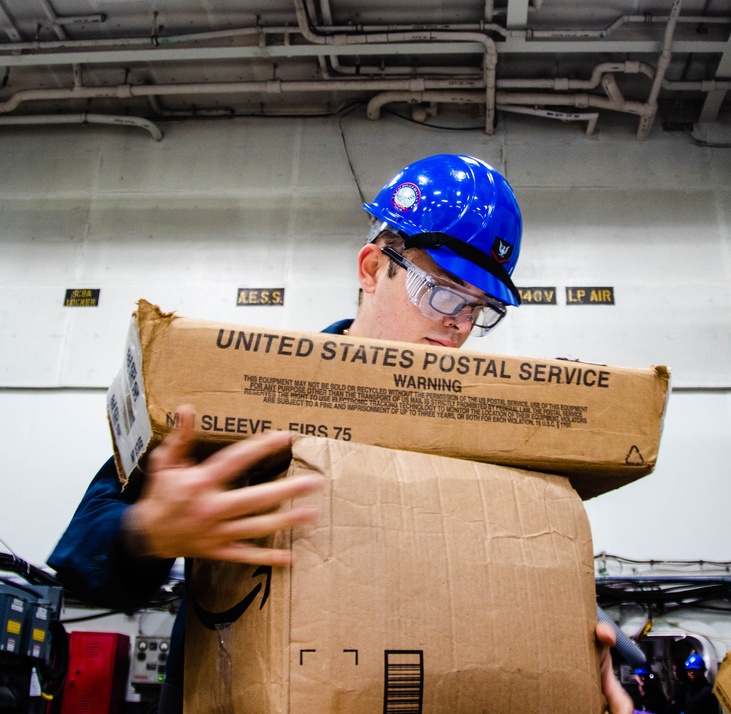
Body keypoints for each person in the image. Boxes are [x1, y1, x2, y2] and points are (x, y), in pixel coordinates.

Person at [48, 154, 633, 714]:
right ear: (373, 268)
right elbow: (82, 551)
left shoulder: (488, 435)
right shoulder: (249, 395)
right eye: (445, 291)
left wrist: (564, 639)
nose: (458, 323)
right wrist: (146, 531)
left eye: (479, 308)